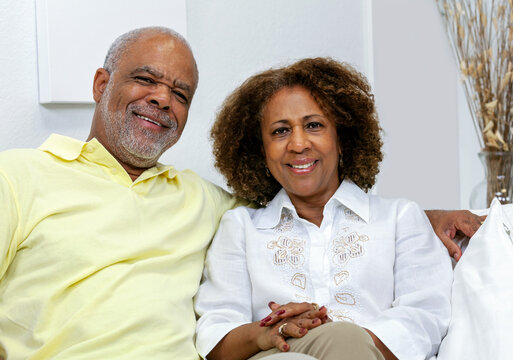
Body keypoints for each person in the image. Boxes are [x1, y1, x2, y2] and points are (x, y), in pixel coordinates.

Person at [0, 26, 481, 359]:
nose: (163, 98)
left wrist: (427, 216)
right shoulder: (16, 178)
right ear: (102, 83)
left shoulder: (200, 201)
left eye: (181, 93)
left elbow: (310, 204)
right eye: (145, 79)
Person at [194, 58, 455, 360]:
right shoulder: (240, 228)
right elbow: (216, 337)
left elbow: (426, 317)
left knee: (344, 338)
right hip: (279, 355)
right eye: (280, 131)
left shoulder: (400, 218)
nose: (298, 143)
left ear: (341, 138)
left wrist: (338, 339)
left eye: (314, 125)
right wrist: (269, 333)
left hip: (373, 353)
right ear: (261, 151)